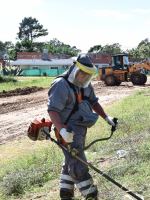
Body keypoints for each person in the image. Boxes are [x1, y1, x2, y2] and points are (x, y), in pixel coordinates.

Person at [47, 54, 116, 200]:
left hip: (80, 129)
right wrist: (62, 131)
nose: (84, 76)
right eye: (82, 72)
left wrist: (106, 117)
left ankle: (65, 195)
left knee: (70, 161)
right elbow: (52, 110)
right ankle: (92, 196)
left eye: (87, 74)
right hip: (68, 130)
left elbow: (93, 102)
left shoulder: (84, 84)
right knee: (79, 166)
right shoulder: (61, 84)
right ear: (74, 68)